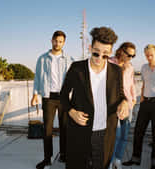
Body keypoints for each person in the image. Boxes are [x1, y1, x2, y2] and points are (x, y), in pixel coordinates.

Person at [60, 26, 129, 169]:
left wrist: (124, 103)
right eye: (96, 53)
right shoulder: (77, 68)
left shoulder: (116, 71)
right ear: (90, 48)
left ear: (110, 53)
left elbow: (121, 94)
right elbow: (63, 95)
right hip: (79, 131)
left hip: (105, 133)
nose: (100, 58)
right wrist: (72, 112)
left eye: (105, 55)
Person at [31, 30, 73, 169]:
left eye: (60, 41)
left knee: (65, 128)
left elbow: (73, 80)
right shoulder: (42, 58)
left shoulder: (68, 59)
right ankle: (47, 159)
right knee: (47, 129)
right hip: (48, 98)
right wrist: (35, 94)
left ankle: (64, 155)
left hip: (64, 98)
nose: (57, 43)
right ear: (51, 41)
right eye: (55, 40)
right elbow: (37, 77)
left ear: (64, 43)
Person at [108, 42, 137, 169]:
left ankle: (118, 159)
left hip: (128, 104)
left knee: (124, 135)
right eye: (129, 55)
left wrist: (134, 100)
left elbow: (131, 85)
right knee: (115, 134)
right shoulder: (109, 63)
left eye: (133, 56)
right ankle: (109, 160)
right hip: (114, 104)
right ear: (121, 51)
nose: (130, 58)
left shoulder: (130, 67)